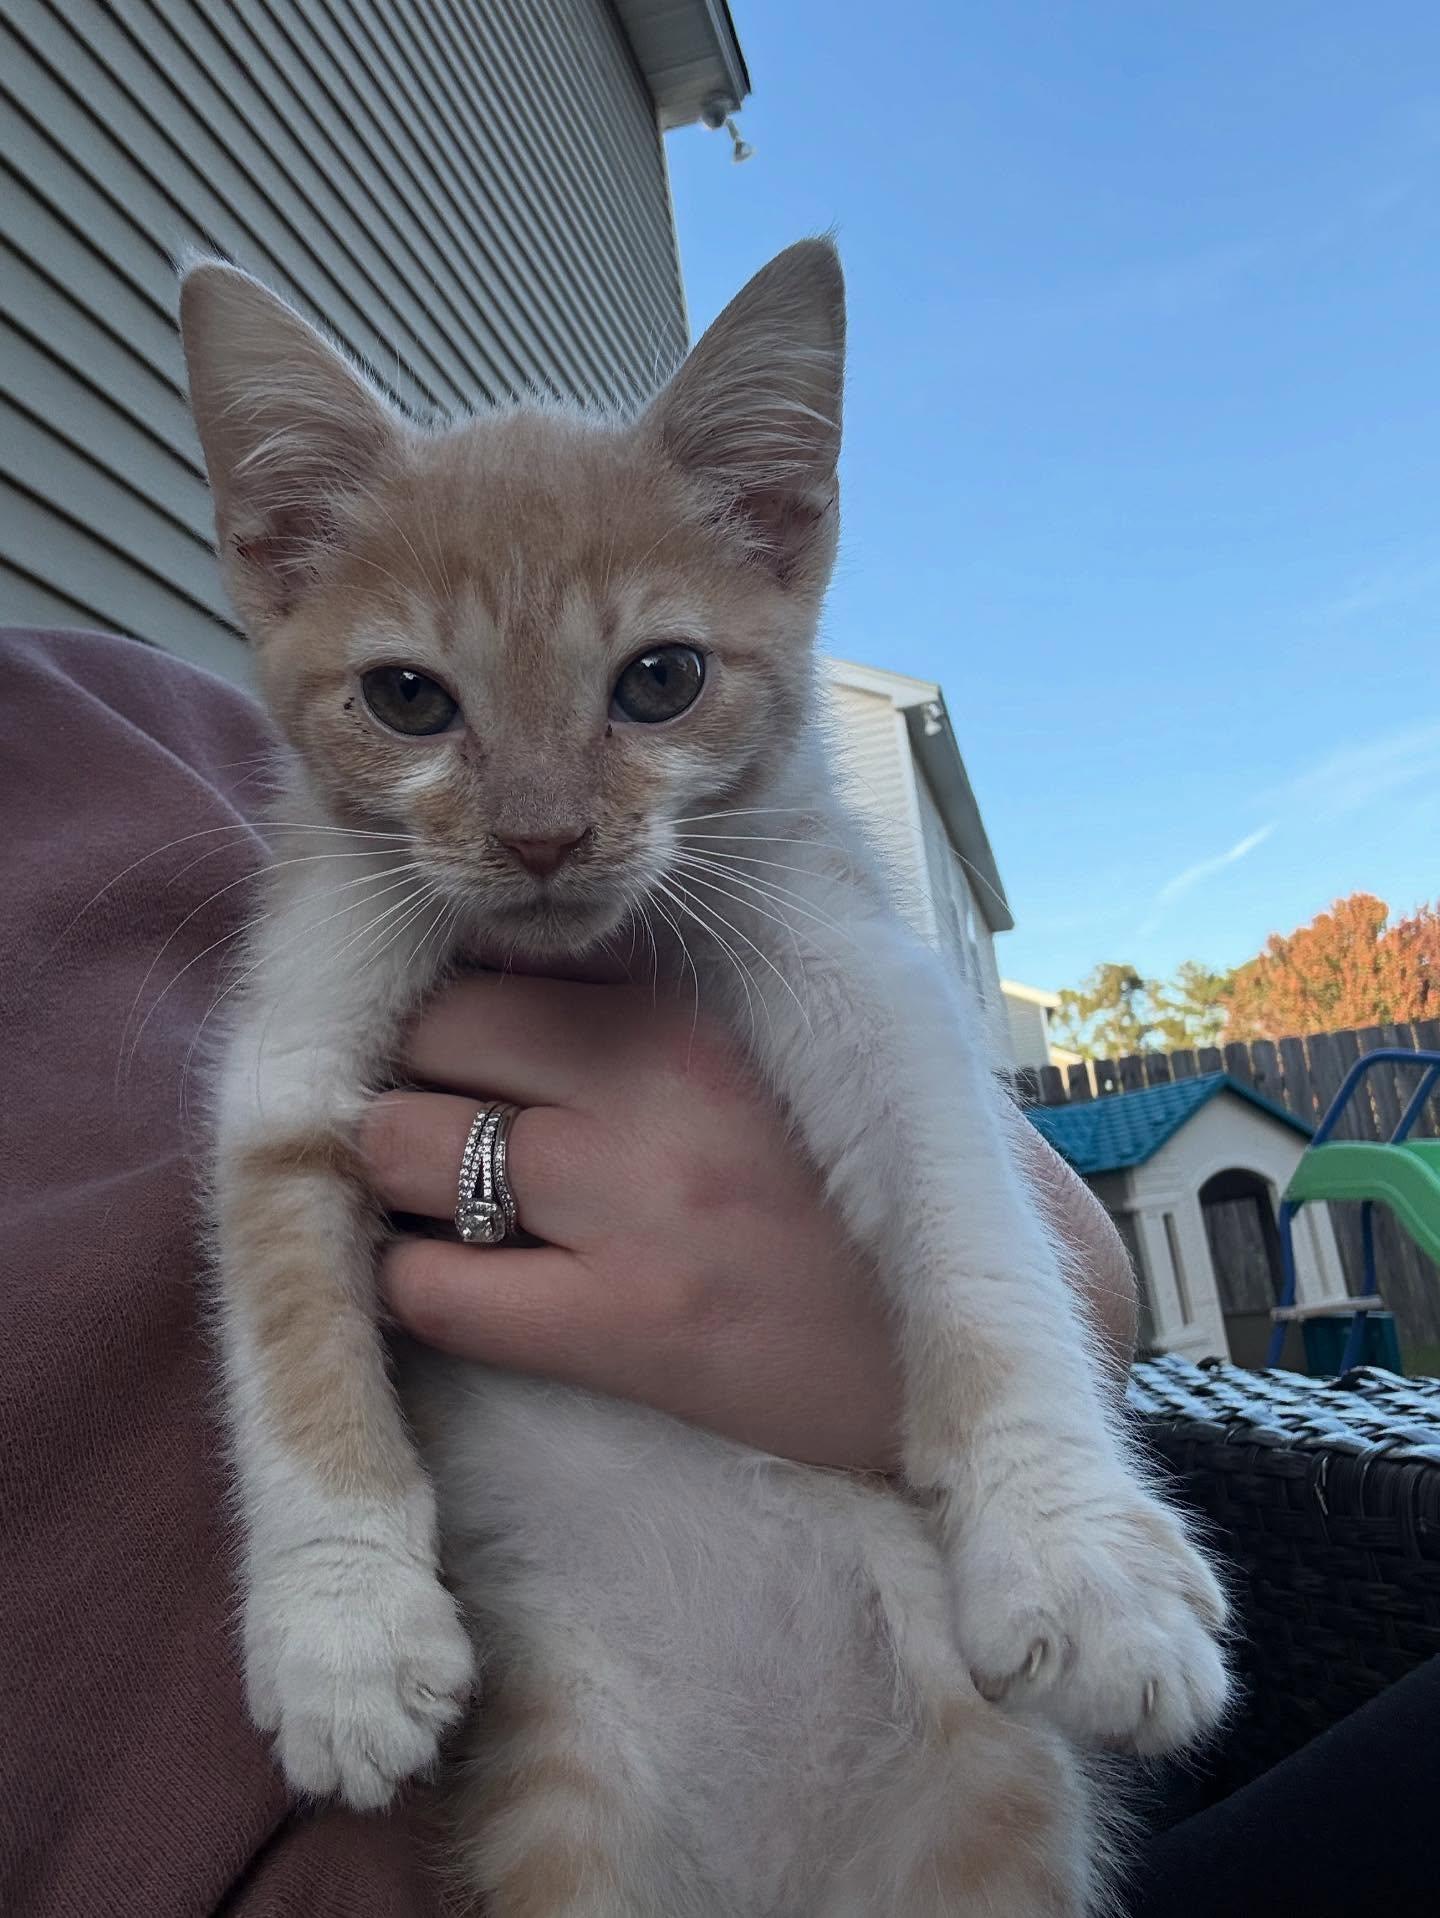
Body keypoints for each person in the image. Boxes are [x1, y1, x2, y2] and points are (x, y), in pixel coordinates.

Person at [2, 627, 1433, 1918]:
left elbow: (973, 1143)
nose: (544, 825)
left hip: (908, 1670)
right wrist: (333, 1544)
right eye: (416, 697)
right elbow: (285, 1134)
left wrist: (1007, 1434)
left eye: (651, 683)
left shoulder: (122, 721)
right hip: (581, 1739)